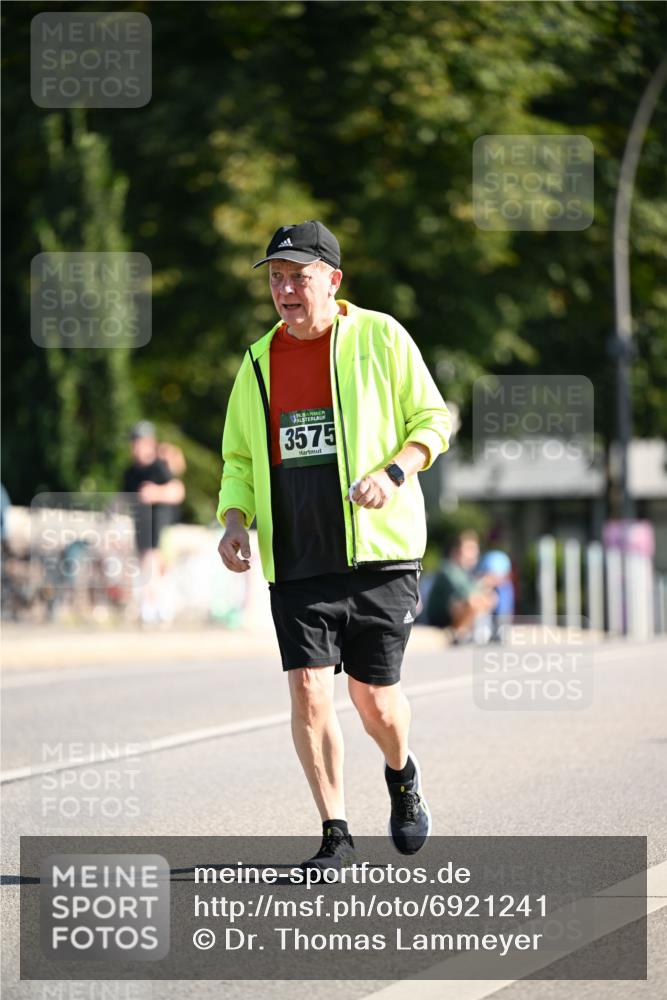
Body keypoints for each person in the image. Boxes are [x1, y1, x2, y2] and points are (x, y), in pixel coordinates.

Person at [217, 220, 451, 871]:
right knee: (308, 690)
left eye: (298, 276)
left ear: (332, 280)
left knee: (373, 700)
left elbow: (434, 418)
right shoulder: (258, 361)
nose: (285, 289)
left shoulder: (380, 337)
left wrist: (394, 472)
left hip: (379, 553)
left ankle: (401, 774)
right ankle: (336, 833)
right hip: (296, 554)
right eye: (275, 278)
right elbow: (239, 456)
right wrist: (234, 518)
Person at [122, 421, 185, 624]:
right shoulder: (130, 472)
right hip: (142, 527)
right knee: (145, 565)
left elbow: (177, 491)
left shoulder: (159, 467)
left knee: (156, 565)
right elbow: (122, 499)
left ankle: (157, 610)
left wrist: (155, 493)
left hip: (161, 527)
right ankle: (149, 610)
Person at [426, 529, 498, 642]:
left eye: (475, 549)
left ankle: (479, 631)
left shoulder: (465, 571)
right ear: (456, 551)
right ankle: (460, 633)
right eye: (470, 549)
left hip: (452, 612)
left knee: (490, 597)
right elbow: (467, 593)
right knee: (474, 602)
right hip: (439, 618)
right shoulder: (448, 568)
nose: (475, 553)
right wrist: (484, 583)